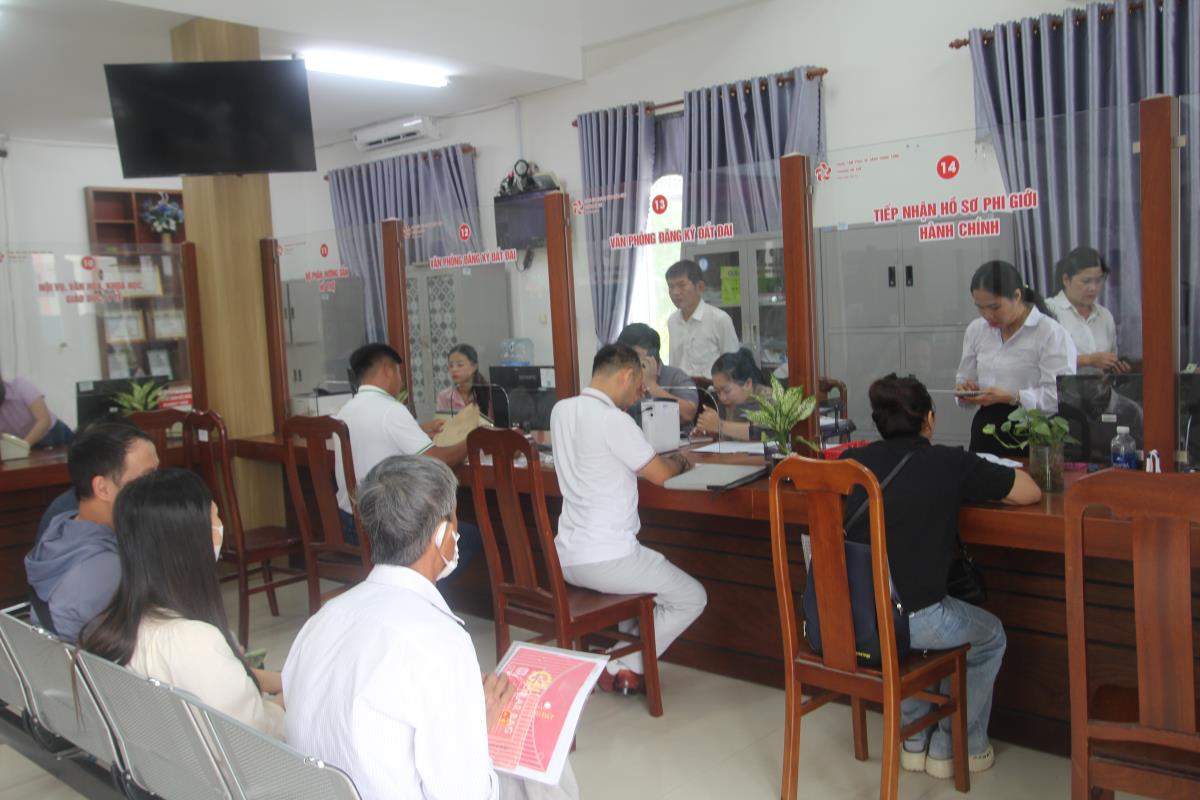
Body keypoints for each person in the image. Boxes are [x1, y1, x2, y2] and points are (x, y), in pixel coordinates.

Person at [283, 455, 578, 800]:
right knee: (541, 757)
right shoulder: (440, 640)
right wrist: (475, 728)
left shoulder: (324, 617)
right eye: (454, 518)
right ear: (442, 535)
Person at [839, 374, 1041, 779]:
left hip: (854, 617)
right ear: (929, 420)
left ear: (878, 421)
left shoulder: (852, 463)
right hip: (913, 619)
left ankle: (914, 741)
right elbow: (1029, 491)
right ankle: (955, 745)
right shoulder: (948, 463)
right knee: (989, 636)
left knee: (907, 630)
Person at [80, 469, 284, 738]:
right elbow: (257, 736)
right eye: (214, 519)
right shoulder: (196, 641)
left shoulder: (113, 630)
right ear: (190, 542)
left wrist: (284, 680)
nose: (219, 530)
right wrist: (289, 700)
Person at [551, 344, 707, 694]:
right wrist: (683, 461)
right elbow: (661, 475)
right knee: (691, 597)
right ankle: (614, 664)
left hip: (566, 557)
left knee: (642, 587)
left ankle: (626, 667)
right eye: (638, 386)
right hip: (608, 558)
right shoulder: (613, 420)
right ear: (627, 375)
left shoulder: (561, 410)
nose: (639, 396)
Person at [335, 343, 481, 571]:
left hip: (348, 522)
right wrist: (474, 438)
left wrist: (418, 431)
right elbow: (437, 460)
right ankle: (420, 589)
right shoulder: (390, 409)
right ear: (387, 370)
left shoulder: (345, 410)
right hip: (383, 528)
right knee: (468, 536)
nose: (401, 382)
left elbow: (377, 437)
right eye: (399, 373)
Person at [25, 421, 159, 641]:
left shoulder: (59, 530)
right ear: (103, 488)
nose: (160, 487)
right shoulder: (106, 569)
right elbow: (160, 640)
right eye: (147, 477)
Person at [954, 261, 1076, 456]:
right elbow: (964, 379)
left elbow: (1061, 397)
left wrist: (1013, 397)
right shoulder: (976, 330)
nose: (987, 315)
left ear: (1017, 296)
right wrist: (966, 391)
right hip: (986, 430)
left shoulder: (1050, 333)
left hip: (1033, 433)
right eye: (980, 308)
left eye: (994, 307)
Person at [1046, 247, 1130, 375]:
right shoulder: (1049, 310)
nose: (1093, 288)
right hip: (1061, 388)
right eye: (1086, 281)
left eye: (1098, 281)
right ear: (1066, 280)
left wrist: (1115, 367)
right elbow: (1041, 361)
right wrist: (1088, 360)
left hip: (1101, 387)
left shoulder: (1105, 316)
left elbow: (1111, 360)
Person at [665, 259, 739, 378]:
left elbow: (733, 365)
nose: (675, 292)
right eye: (671, 286)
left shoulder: (720, 319)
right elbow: (674, 363)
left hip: (711, 388)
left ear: (700, 287)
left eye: (682, 285)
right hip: (680, 387)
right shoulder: (672, 321)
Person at [615, 322, 699, 425]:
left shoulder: (676, 376)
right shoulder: (622, 377)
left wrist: (652, 385)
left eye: (633, 356)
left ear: (652, 356)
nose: (627, 362)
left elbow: (688, 414)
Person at [694, 349, 771, 441]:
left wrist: (719, 425)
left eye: (727, 391)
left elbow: (764, 432)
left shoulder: (768, 398)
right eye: (717, 391)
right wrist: (711, 431)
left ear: (747, 384)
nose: (722, 397)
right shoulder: (725, 404)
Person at [0, 372, 73, 448]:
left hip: (54, 434)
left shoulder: (19, 385)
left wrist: (21, 447)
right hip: (28, 443)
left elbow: (44, 420)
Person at [437, 343, 495, 418]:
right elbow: (442, 424)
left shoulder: (489, 393)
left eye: (460, 365)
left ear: (474, 366)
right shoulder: (444, 397)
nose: (454, 370)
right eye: (451, 365)